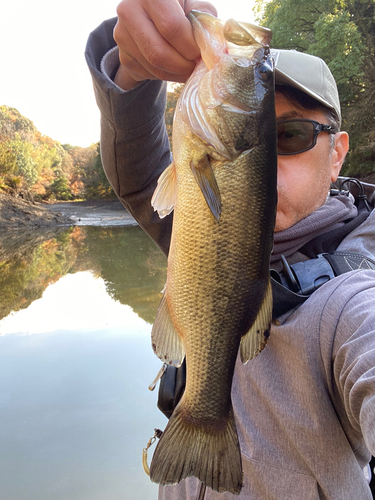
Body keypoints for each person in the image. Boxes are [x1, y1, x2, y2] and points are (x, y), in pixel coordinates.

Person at [85, 1, 375, 498]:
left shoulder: (356, 298)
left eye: (292, 135)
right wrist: (131, 72)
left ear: (337, 155)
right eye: (265, 132)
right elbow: (137, 168)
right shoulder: (196, 220)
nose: (272, 155)